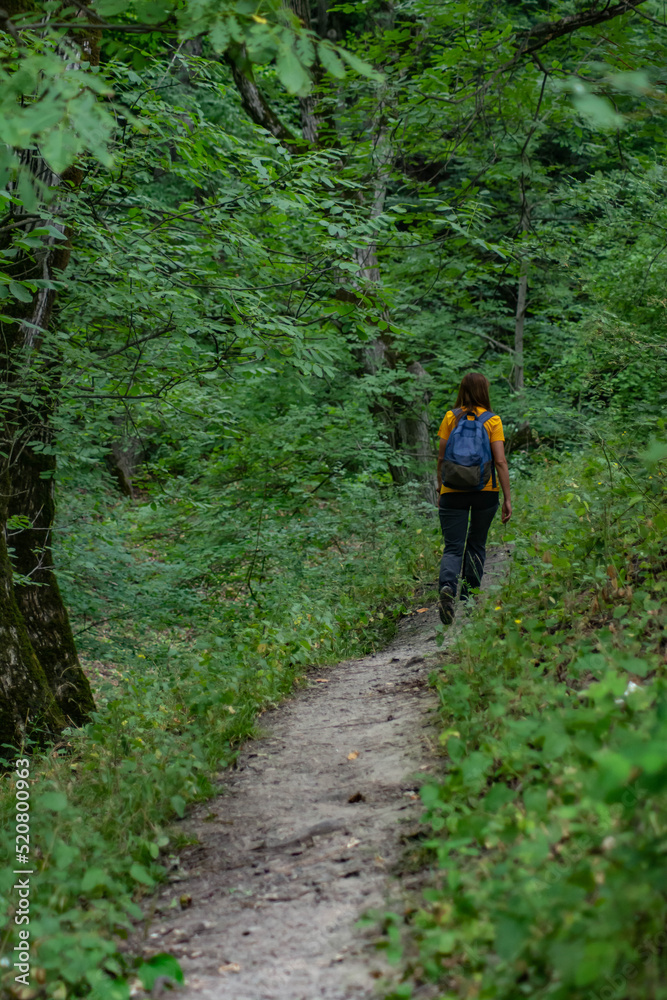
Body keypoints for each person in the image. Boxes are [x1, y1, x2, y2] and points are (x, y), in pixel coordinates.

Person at [435, 372, 511, 625]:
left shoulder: (450, 417)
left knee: (453, 546)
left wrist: (440, 486)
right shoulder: (493, 421)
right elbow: (499, 461)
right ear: (484, 392)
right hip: (485, 492)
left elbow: (441, 457)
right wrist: (508, 498)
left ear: (462, 390)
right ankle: (469, 599)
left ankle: (447, 587)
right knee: (476, 544)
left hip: (452, 492)